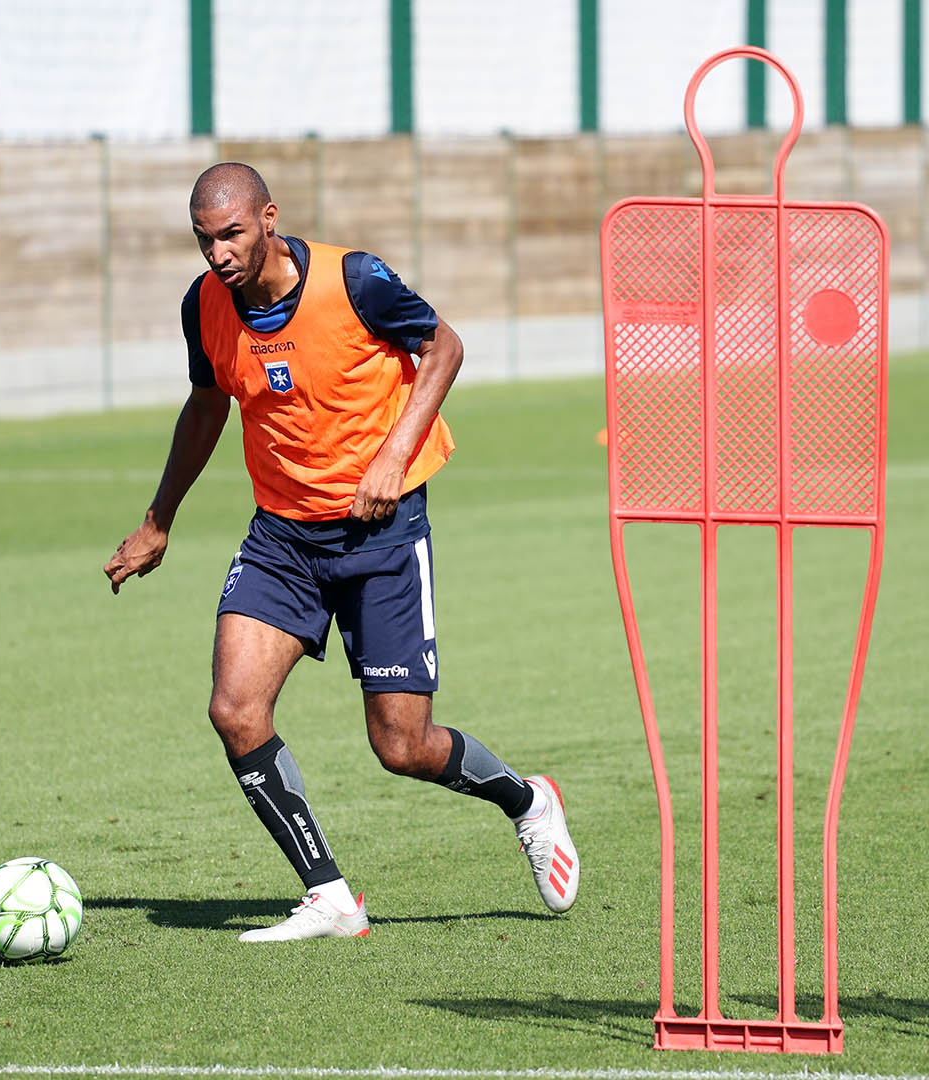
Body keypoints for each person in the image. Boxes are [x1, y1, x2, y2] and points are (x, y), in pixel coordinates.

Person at [104, 162, 579, 940]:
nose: (218, 254)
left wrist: (393, 457)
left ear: (268, 219)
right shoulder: (204, 305)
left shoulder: (354, 281)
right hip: (282, 538)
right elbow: (207, 403)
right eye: (203, 239)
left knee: (402, 745)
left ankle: (528, 802)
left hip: (381, 533)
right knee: (234, 710)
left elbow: (445, 348)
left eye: (231, 234)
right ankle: (329, 896)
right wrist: (160, 519)